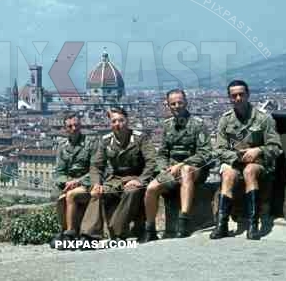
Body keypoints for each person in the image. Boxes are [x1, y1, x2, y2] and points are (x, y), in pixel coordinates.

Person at [210, 80, 283, 240]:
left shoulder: (263, 119)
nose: (238, 98)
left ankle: (253, 224)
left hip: (258, 163)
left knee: (250, 170)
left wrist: (258, 150)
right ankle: (221, 224)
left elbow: (276, 147)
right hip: (235, 161)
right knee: (228, 175)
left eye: (241, 94)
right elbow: (219, 149)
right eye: (233, 95)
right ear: (229, 98)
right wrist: (237, 156)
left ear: (248, 95)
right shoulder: (226, 120)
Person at [143, 89, 215, 241]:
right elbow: (162, 153)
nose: (177, 106)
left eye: (179, 103)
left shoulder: (198, 125)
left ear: (186, 103)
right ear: (168, 106)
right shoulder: (167, 126)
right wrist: (164, 168)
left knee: (186, 171)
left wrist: (182, 164)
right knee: (151, 188)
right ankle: (150, 229)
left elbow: (206, 152)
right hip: (171, 169)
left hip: (195, 169)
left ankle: (183, 221)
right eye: (173, 104)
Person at [80, 107, 156, 242]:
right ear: (110, 124)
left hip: (135, 176)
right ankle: (89, 234)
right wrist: (96, 183)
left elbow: (151, 162)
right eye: (114, 121)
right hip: (115, 179)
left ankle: (117, 229)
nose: (118, 124)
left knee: (132, 191)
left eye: (121, 120)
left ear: (127, 121)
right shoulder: (105, 140)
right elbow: (96, 165)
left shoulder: (140, 138)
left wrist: (141, 180)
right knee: (97, 193)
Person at [50, 111, 97, 249]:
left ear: (80, 125)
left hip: (87, 181)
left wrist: (79, 181)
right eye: (70, 126)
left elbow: (96, 169)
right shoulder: (62, 146)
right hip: (68, 183)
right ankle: (64, 231)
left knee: (71, 195)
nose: (74, 128)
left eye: (76, 125)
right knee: (56, 196)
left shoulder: (90, 143)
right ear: (65, 129)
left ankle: (70, 233)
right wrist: (66, 182)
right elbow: (59, 172)